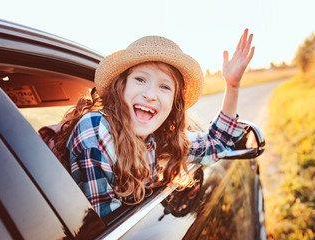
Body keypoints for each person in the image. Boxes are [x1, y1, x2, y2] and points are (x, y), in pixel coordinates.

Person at [53, 29, 254, 218]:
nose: (150, 95)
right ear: (120, 87)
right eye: (140, 79)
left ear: (174, 104)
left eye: (164, 86)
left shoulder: (156, 139)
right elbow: (103, 223)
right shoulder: (96, 130)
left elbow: (215, 143)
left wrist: (233, 86)